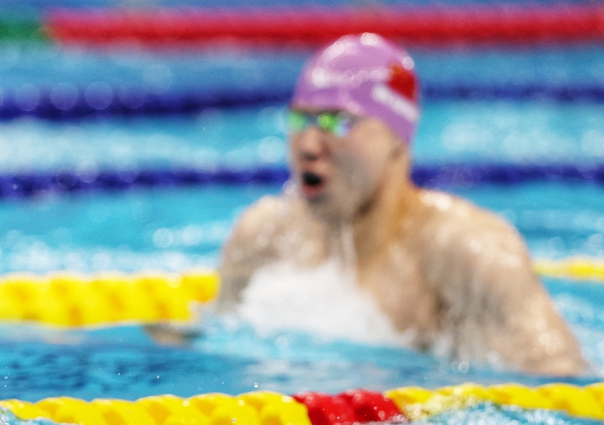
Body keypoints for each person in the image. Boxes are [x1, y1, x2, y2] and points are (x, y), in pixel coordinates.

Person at [216, 33, 586, 375]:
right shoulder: (264, 237)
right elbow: (211, 342)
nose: (309, 145)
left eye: (336, 121)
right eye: (301, 119)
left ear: (396, 136)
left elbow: (559, 384)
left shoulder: (468, 251)